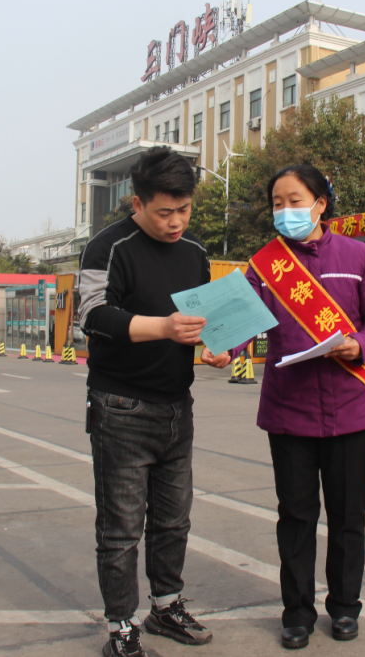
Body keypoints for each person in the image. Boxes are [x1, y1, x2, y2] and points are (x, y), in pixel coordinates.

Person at [222, 164, 365, 649]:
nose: (285, 211)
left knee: (348, 516)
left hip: (352, 409)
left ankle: (344, 607)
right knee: (296, 517)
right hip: (290, 412)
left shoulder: (358, 255)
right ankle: (296, 613)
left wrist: (360, 345)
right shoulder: (264, 265)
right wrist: (224, 349)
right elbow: (241, 321)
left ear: (320, 204)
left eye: (294, 201)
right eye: (277, 203)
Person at [77, 146, 227, 657]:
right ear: (137, 203)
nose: (176, 222)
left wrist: (215, 348)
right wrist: (163, 327)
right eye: (165, 212)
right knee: (121, 528)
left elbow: (202, 320)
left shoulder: (196, 253)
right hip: (121, 406)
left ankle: (166, 605)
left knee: (173, 520)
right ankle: (122, 627)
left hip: (177, 406)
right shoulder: (108, 247)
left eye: (184, 210)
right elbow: (93, 315)